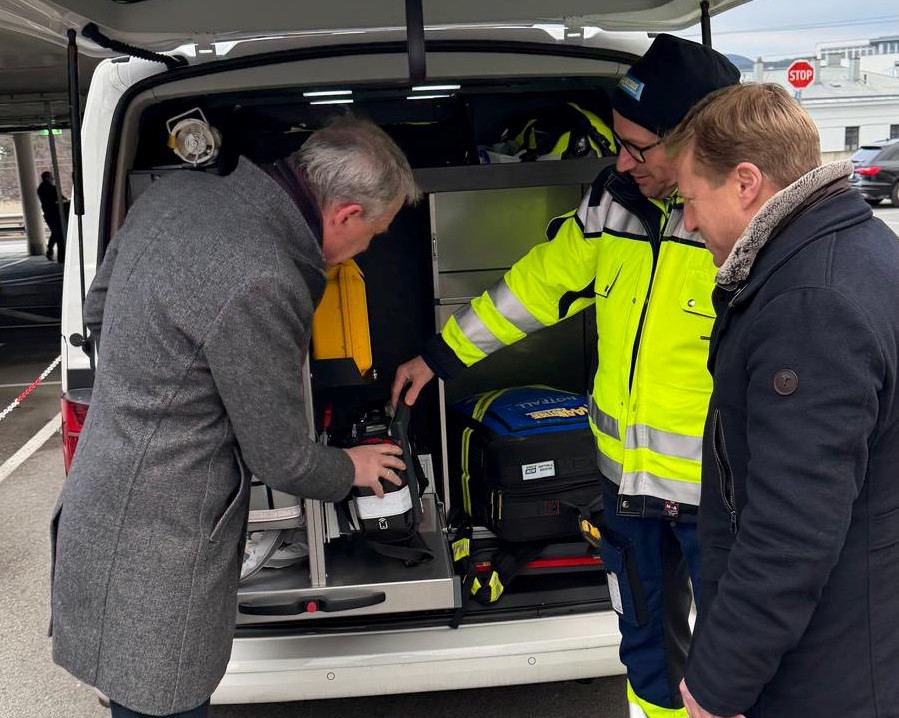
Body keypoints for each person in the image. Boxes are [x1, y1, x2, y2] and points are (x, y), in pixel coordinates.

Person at [391, 35, 739, 718]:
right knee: (645, 651)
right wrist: (439, 357)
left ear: (694, 137)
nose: (619, 160)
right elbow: (537, 286)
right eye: (617, 141)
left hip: (722, 499)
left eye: (636, 147)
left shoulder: (742, 221)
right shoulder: (611, 204)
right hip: (626, 490)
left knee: (739, 660)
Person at [50, 117, 420, 718]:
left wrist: (157, 386)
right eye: (374, 232)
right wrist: (351, 466)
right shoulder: (262, 276)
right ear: (346, 214)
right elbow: (279, 457)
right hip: (159, 541)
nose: (369, 246)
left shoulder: (178, 192)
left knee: (132, 694)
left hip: (104, 489)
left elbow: (99, 309)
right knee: (162, 700)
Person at [666, 83, 899, 718]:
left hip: (826, 671)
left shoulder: (810, 304)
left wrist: (718, 684)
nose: (686, 221)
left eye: (689, 199)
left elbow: (790, 530)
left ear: (745, 182)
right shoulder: (863, 247)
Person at [37, 170, 67, 262]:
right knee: (59, 234)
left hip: (47, 214)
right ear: (47, 178)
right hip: (56, 214)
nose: (52, 179)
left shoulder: (40, 189)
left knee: (55, 232)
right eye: (51, 177)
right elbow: (62, 199)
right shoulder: (52, 188)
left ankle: (50, 250)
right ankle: (60, 256)